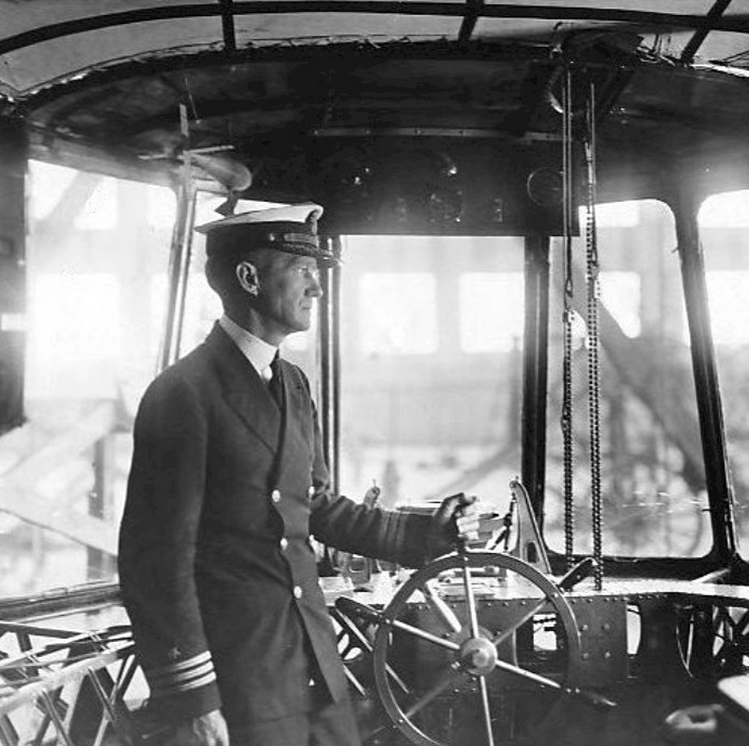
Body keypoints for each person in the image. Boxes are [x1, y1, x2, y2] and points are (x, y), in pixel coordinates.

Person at [118, 203, 479, 746]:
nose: (318, 287)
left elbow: (317, 507)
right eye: (303, 269)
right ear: (249, 278)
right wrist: (193, 700)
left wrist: (429, 533)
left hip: (310, 658)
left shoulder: (292, 383)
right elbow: (155, 561)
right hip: (235, 676)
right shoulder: (182, 394)